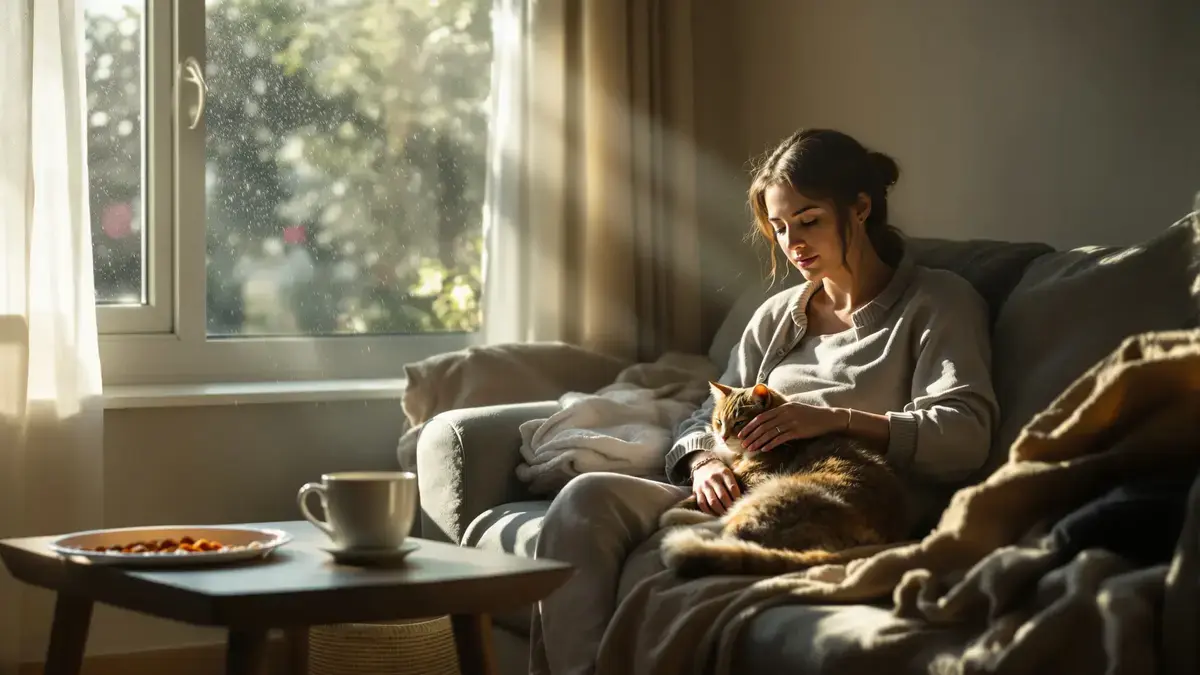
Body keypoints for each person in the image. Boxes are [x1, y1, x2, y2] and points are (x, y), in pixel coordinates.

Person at [529, 128, 999, 675]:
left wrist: (831, 418)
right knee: (586, 499)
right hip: (733, 483)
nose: (793, 242)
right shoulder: (778, 315)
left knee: (666, 568)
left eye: (809, 220)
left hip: (834, 502)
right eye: (779, 227)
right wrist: (703, 461)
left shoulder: (937, 303)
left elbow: (965, 435)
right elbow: (707, 412)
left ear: (862, 208)